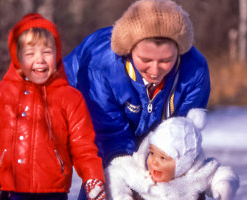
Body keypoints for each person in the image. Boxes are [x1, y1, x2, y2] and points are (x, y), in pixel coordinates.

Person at [63, 0, 211, 198]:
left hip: (145, 121)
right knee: (109, 180)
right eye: (146, 60)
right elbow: (109, 139)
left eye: (166, 60)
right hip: (75, 114)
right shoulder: (101, 65)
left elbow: (179, 137)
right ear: (129, 51)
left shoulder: (195, 71)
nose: (155, 70)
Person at [0, 13, 105, 200]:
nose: (40, 59)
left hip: (54, 192)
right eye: (30, 53)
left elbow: (83, 145)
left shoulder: (69, 97)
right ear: (17, 57)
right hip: (11, 190)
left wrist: (93, 176)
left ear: (57, 53)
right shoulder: (0, 94)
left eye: (47, 52)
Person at [105, 108, 240, 200]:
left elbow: (221, 173)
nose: (154, 161)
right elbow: (115, 171)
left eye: (163, 158)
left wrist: (224, 186)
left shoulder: (196, 176)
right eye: (152, 153)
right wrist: (121, 196)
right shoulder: (138, 171)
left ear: (183, 163)